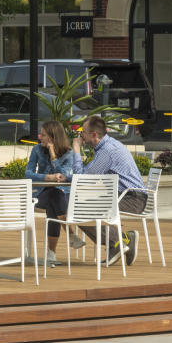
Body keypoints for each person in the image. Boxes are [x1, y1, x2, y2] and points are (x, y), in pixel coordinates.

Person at [71, 114, 142, 266]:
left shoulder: (107, 151)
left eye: (83, 132)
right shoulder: (108, 146)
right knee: (81, 207)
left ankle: (118, 242)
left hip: (132, 199)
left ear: (94, 135)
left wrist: (76, 150)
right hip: (128, 196)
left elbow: (82, 178)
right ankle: (121, 241)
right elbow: (88, 174)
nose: (81, 135)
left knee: (77, 210)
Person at [25, 120, 77, 267]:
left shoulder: (68, 154)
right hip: (39, 195)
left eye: (43, 135)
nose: (40, 137)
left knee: (54, 199)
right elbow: (27, 174)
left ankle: (51, 254)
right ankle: (71, 234)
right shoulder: (36, 150)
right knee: (55, 196)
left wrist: (53, 154)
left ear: (52, 138)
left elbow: (64, 175)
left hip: (60, 195)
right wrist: (46, 177)